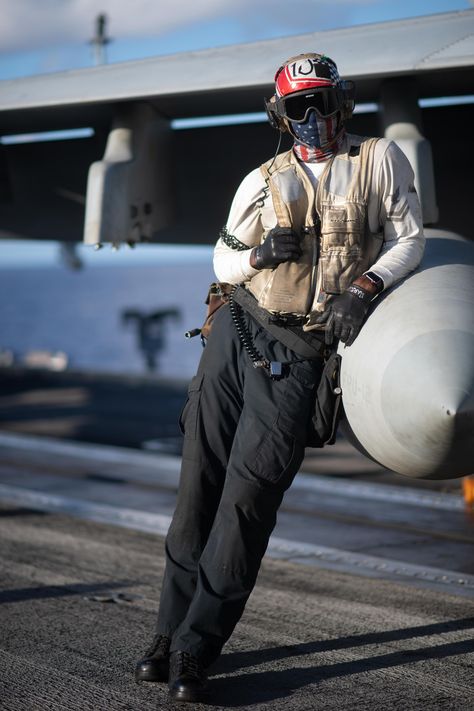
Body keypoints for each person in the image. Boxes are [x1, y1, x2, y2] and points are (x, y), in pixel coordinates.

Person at [135, 52, 425, 703]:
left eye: (324, 101)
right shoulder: (262, 180)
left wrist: (369, 284)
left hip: (299, 353)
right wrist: (259, 254)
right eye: (300, 106)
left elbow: (411, 237)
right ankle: (165, 631)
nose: (314, 117)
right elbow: (223, 256)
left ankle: (196, 645)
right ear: (281, 114)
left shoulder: (379, 163)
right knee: (198, 488)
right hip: (237, 333)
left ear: (342, 103)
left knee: (247, 501)